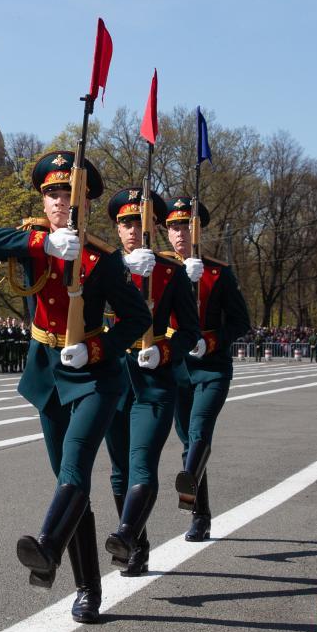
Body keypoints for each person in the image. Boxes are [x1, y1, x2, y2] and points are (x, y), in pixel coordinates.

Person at [0, 150, 151, 623]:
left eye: (68, 194)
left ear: (85, 202)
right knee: (68, 486)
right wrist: (42, 247)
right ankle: (88, 589)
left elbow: (138, 318)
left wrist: (96, 349)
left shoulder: (102, 259)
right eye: (52, 194)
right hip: (47, 372)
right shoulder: (32, 240)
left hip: (93, 375)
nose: (59, 202)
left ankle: (48, 545)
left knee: (75, 466)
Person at [101, 187, 200, 576]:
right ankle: (137, 545)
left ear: (152, 227)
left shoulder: (171, 273)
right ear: (117, 227)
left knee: (142, 465)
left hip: (154, 381)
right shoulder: (100, 268)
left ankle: (125, 534)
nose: (131, 229)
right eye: (125, 222)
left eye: (139, 222)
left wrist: (166, 351)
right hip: (113, 378)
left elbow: (190, 331)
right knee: (119, 470)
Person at [162, 197, 251, 542]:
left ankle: (190, 494)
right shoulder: (160, 268)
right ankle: (201, 514)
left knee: (199, 432)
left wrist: (210, 341)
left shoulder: (218, 273)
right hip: (177, 366)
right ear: (166, 233)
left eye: (186, 225)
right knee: (187, 440)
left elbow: (241, 322)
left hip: (211, 367)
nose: (180, 233)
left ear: (198, 229)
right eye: (173, 226)